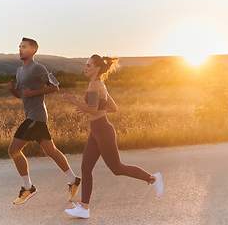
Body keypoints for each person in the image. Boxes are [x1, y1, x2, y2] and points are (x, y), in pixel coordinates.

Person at [62, 54, 164, 218]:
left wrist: (75, 102)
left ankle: (153, 179)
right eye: (85, 65)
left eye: (88, 65)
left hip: (103, 131)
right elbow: (112, 107)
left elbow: (94, 110)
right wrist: (87, 107)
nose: (85, 68)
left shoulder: (95, 85)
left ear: (97, 69)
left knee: (117, 168)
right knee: (86, 168)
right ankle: (84, 208)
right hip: (96, 131)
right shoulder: (98, 84)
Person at [6, 37, 81, 205]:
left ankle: (28, 187)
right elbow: (23, 95)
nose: (20, 49)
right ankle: (73, 179)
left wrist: (34, 93)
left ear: (33, 50)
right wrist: (13, 91)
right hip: (34, 117)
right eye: (19, 47)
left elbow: (55, 86)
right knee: (50, 151)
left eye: (24, 47)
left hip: (35, 117)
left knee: (13, 150)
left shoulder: (37, 68)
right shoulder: (19, 71)